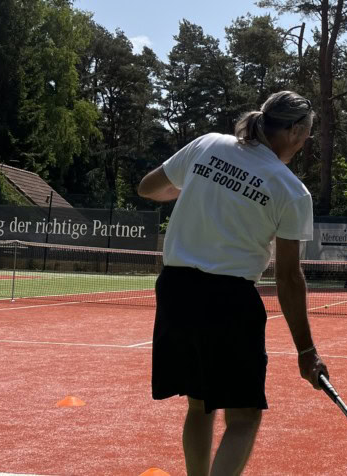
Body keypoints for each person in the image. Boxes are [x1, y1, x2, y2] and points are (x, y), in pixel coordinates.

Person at [137, 90, 327, 476]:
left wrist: (190, 185)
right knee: (243, 418)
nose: (306, 141)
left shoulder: (207, 144)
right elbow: (289, 277)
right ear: (293, 131)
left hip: (175, 291)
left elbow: (148, 188)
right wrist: (306, 350)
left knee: (199, 404)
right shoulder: (291, 190)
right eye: (307, 133)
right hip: (228, 302)